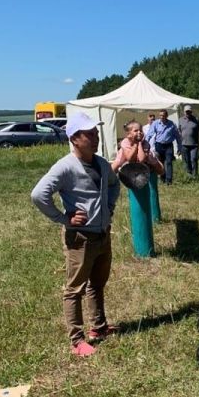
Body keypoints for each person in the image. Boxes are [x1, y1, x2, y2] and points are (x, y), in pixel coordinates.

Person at [31, 112, 121, 357]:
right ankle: (76, 340)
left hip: (103, 234)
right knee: (74, 289)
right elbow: (39, 195)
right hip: (79, 238)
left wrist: (109, 207)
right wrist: (64, 218)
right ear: (74, 138)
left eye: (96, 133)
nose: (95, 138)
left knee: (97, 285)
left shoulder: (101, 163)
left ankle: (99, 328)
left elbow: (114, 183)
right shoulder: (65, 167)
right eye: (89, 135)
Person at [147, 109, 181, 185]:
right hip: (159, 145)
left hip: (168, 146)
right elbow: (149, 134)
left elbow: (177, 136)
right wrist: (145, 144)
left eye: (163, 115)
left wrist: (179, 147)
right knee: (160, 162)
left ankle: (169, 181)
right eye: (160, 115)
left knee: (168, 162)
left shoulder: (171, 124)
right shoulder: (156, 123)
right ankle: (163, 177)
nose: (162, 117)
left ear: (166, 116)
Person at [178, 104, 199, 178]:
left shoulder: (196, 120)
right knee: (187, 160)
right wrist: (179, 143)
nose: (188, 113)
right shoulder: (180, 120)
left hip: (194, 144)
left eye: (189, 112)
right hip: (184, 144)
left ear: (191, 112)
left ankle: (195, 175)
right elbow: (179, 132)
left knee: (193, 159)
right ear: (184, 112)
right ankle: (188, 174)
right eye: (186, 112)